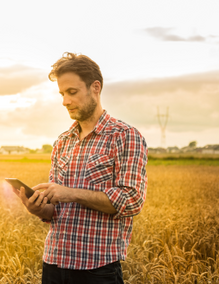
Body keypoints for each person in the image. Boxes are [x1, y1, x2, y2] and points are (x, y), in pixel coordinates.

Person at [12, 52, 148, 284]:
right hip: (54, 263)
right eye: (62, 94)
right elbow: (54, 211)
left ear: (95, 87)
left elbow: (132, 200)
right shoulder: (62, 141)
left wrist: (71, 193)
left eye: (72, 92)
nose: (65, 101)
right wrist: (36, 208)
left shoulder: (125, 136)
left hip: (97, 269)